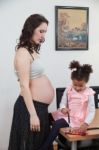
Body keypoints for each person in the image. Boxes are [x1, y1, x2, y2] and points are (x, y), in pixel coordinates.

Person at [8, 14, 54, 150]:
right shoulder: (23, 52)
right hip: (30, 109)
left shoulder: (31, 50)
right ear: (31, 29)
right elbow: (23, 85)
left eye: (45, 32)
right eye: (41, 31)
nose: (43, 35)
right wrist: (33, 114)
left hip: (39, 108)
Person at [40, 60, 95, 150]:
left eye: (81, 85)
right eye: (75, 84)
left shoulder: (89, 93)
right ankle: (45, 141)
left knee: (57, 124)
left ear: (86, 82)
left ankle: (44, 147)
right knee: (45, 117)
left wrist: (86, 123)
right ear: (72, 81)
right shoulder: (68, 89)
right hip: (66, 115)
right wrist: (63, 109)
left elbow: (92, 111)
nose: (77, 88)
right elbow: (62, 103)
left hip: (77, 119)